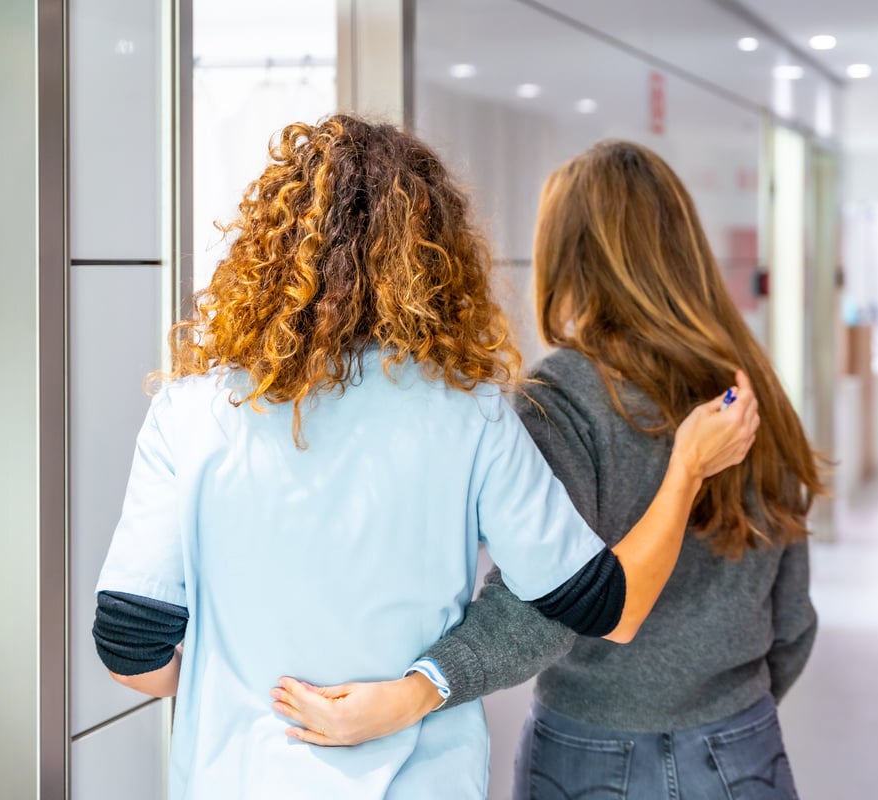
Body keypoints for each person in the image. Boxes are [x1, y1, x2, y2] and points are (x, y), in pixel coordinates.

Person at [90, 117, 760, 800]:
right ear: (433, 257)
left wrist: (231, 693)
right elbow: (595, 603)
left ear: (269, 249)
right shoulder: (469, 412)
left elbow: (129, 650)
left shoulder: (190, 413)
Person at [279, 140, 827, 798]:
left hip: (594, 752)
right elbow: (792, 618)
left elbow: (541, 609)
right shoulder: (749, 390)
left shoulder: (560, 399)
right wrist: (727, 710)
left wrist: (418, 688)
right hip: (742, 739)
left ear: (567, 254)